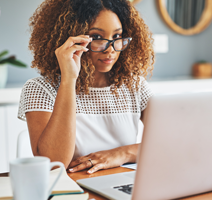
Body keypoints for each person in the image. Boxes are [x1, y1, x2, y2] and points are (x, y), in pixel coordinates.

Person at [18, 0, 155, 174]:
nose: (110, 50)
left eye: (117, 37)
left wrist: (121, 154)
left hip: (122, 186)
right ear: (71, 38)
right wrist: (68, 79)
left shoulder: (135, 86)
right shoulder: (40, 89)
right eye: (97, 38)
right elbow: (53, 164)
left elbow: (171, 142)